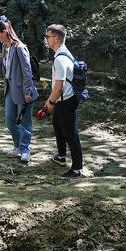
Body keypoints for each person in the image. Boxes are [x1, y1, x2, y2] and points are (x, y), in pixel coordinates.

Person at [0, 17, 37, 165]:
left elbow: (27, 71)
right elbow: (7, 62)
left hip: (22, 90)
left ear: (5, 32)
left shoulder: (20, 47)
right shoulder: (5, 47)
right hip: (10, 89)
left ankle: (25, 149)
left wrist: (26, 91)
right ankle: (17, 145)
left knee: (25, 121)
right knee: (10, 118)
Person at [42, 24, 83, 178]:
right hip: (65, 99)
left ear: (56, 38)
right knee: (58, 125)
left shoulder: (60, 60)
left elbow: (59, 87)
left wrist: (50, 103)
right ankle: (61, 156)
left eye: (48, 37)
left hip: (65, 100)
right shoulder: (64, 53)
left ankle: (77, 168)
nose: (46, 40)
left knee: (70, 133)